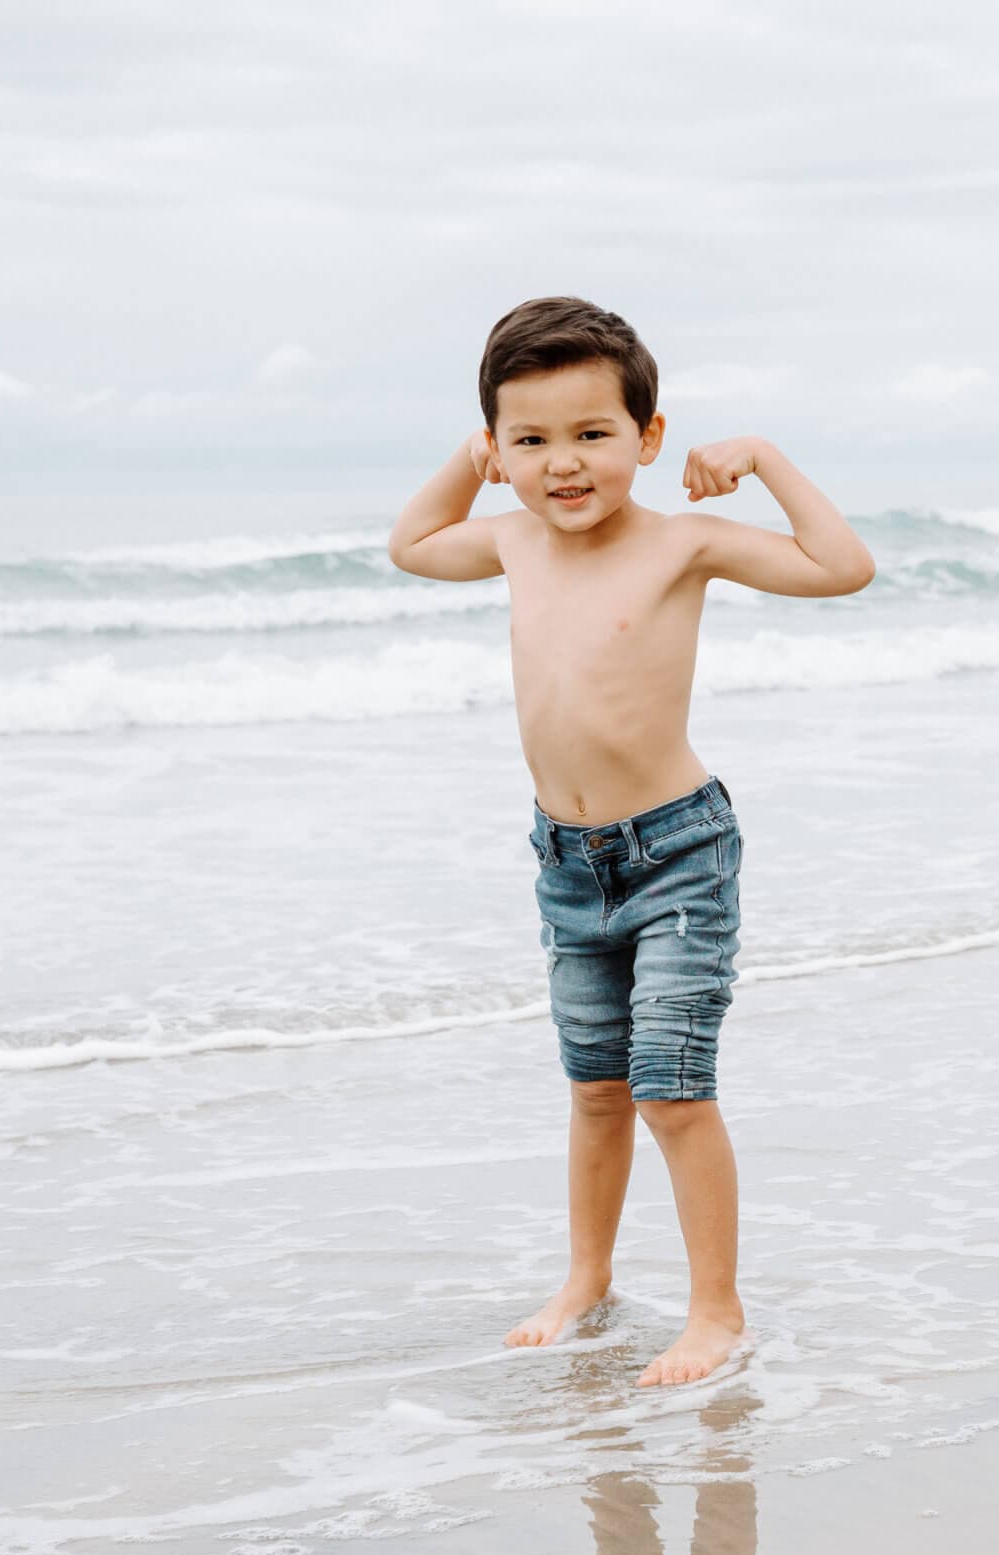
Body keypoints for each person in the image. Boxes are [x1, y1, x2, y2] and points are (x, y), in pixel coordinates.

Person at [388, 296, 874, 1386]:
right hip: (567, 864)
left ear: (647, 441)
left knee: (671, 1088)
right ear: (499, 448)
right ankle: (587, 1278)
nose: (564, 464)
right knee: (596, 1089)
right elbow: (409, 544)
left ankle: (717, 1312)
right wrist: (468, 466)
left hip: (678, 858)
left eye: (592, 435)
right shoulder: (510, 538)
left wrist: (766, 458)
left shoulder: (682, 541)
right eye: (531, 440)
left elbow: (842, 567)